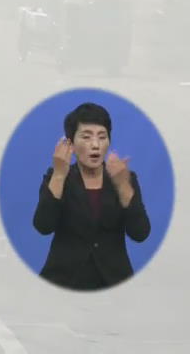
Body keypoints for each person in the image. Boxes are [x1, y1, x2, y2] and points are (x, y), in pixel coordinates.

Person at [32, 102, 151, 291]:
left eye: (102, 137)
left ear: (109, 141)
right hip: (62, 281)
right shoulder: (56, 177)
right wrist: (59, 175)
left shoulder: (123, 178)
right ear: (70, 143)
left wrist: (123, 186)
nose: (95, 145)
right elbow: (43, 226)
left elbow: (140, 233)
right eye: (86, 137)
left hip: (114, 283)